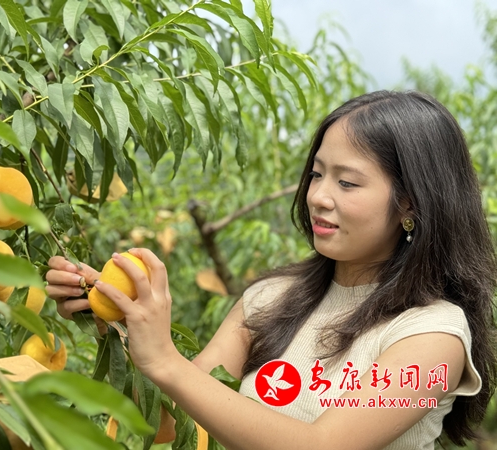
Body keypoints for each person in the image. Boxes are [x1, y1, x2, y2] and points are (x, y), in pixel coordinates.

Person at [46, 90, 497, 449]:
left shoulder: (432, 334)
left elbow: (322, 446)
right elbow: (172, 422)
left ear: (410, 203)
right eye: (317, 174)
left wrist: (166, 359)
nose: (318, 196)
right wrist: (116, 321)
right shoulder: (271, 299)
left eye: (347, 182)